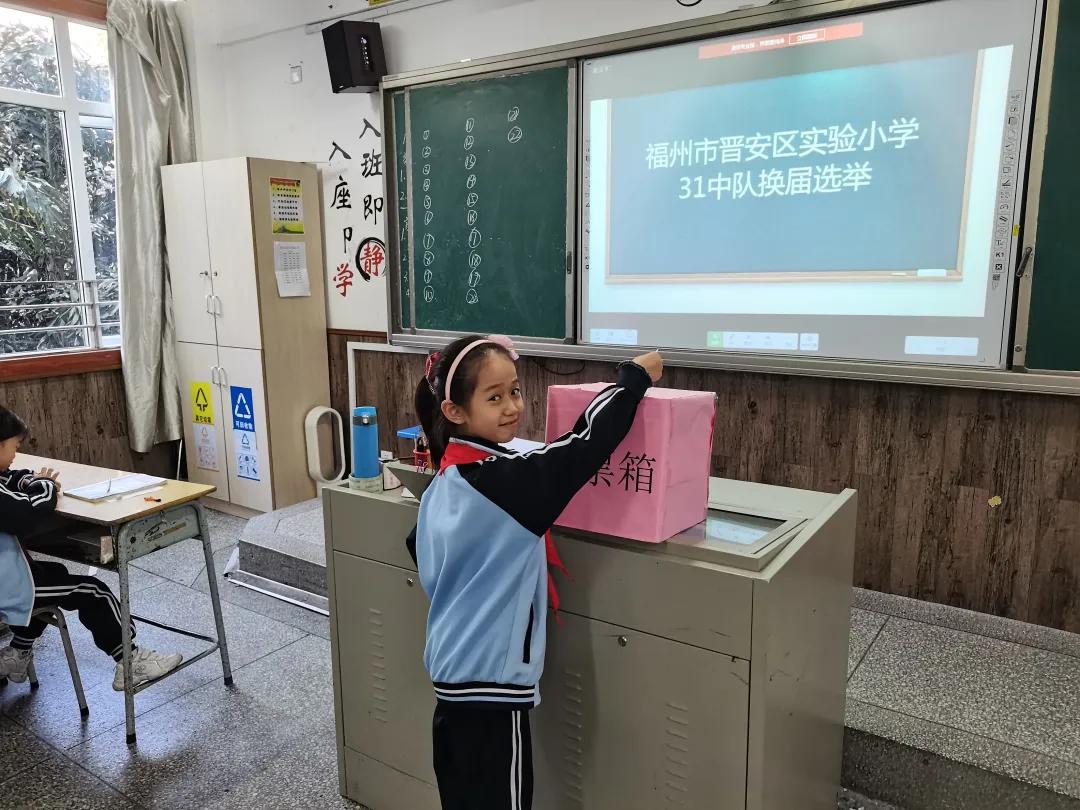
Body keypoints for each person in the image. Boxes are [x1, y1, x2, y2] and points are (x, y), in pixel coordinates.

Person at [408, 334, 663, 810]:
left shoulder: (450, 479)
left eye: (515, 391)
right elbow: (581, 447)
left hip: (453, 682)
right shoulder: (504, 483)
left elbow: (419, 551)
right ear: (454, 411)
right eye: (494, 396)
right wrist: (634, 378)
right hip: (490, 691)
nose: (511, 407)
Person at [0, 405, 182, 690]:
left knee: (54, 571)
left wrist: (26, 479)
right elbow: (29, 511)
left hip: (8, 575)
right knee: (94, 592)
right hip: (6, 586)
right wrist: (45, 484)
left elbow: (8, 479)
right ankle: (131, 661)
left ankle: (18, 653)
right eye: (15, 447)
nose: (15, 456)